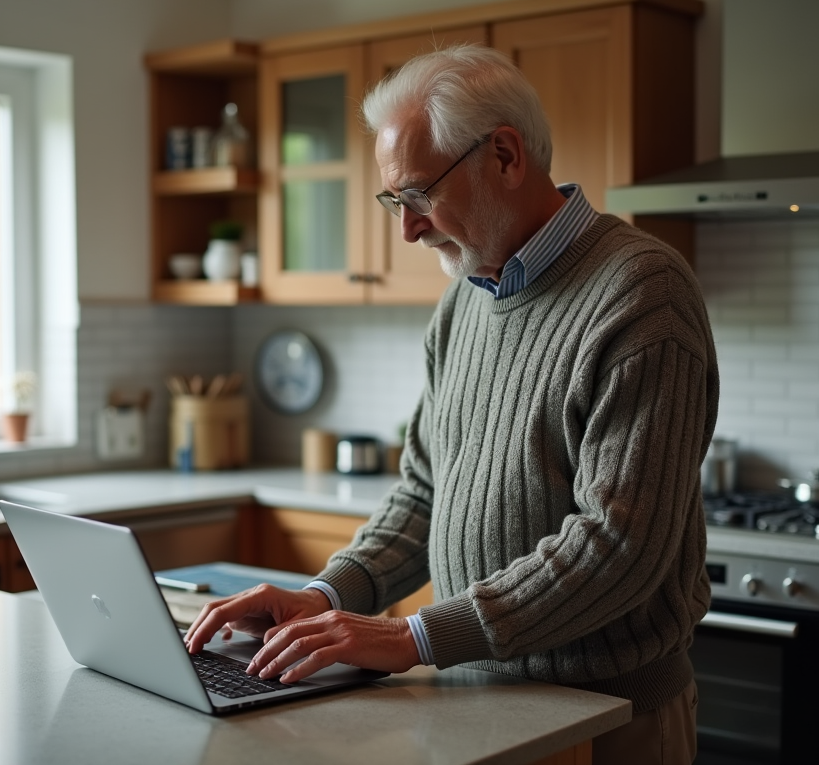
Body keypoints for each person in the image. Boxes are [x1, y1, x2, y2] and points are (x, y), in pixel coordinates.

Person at [186, 44, 718, 765]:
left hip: (606, 718)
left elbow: (618, 545)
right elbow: (424, 494)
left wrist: (414, 638)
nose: (406, 229)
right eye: (395, 200)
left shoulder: (641, 292)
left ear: (504, 155)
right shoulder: (464, 302)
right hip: (475, 709)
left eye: (418, 195)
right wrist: (326, 595)